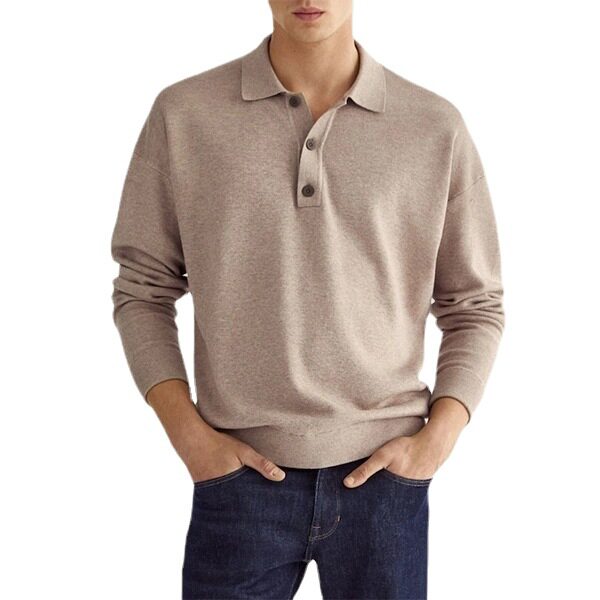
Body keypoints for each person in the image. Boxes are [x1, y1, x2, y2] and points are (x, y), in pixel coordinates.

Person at [110, 1, 505, 598]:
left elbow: (474, 304)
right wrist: (189, 436)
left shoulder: (433, 126)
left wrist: (437, 441)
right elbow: (143, 287)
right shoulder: (185, 114)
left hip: (385, 481)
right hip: (237, 476)